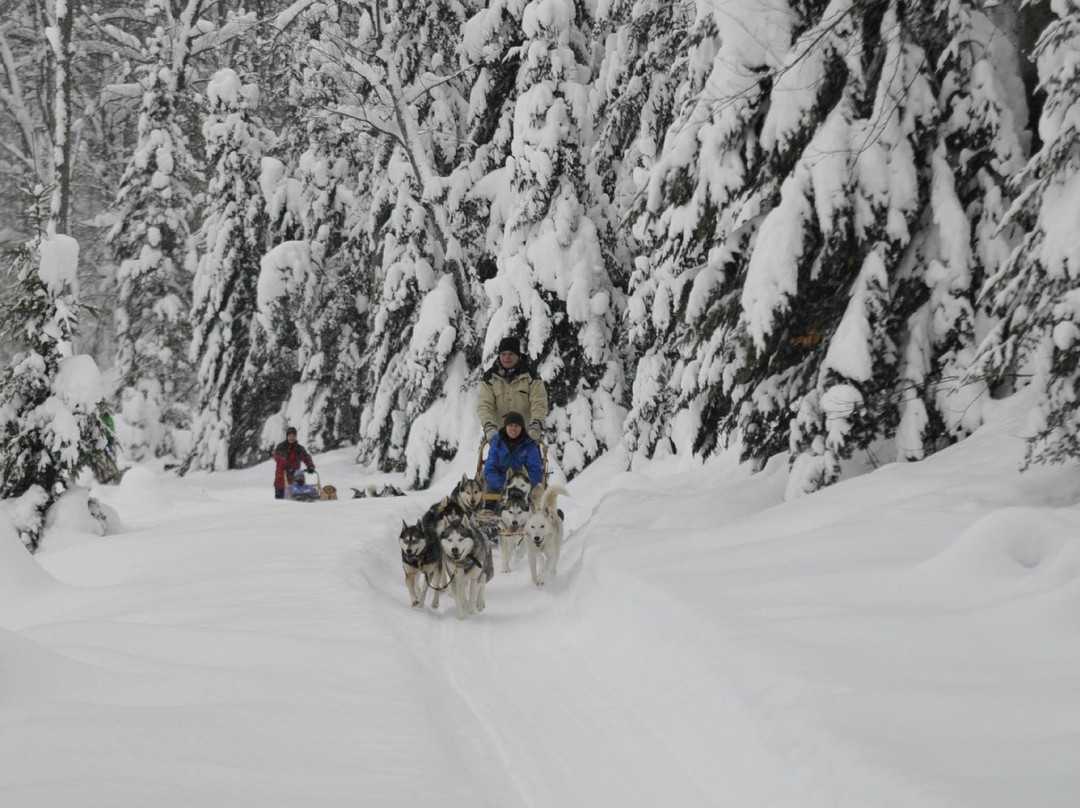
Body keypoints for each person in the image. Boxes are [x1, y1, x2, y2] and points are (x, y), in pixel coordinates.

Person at [478, 336, 548, 444]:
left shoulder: (531, 376)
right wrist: (489, 426)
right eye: (503, 354)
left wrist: (536, 424)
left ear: (518, 355)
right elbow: (485, 404)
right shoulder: (490, 377)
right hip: (500, 439)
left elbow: (539, 402)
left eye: (511, 354)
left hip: (527, 438)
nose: (506, 357)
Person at [484, 411, 544, 492]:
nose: (513, 429)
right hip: (500, 487)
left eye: (517, 426)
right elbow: (489, 471)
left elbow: (535, 470)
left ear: (521, 428)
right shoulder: (497, 444)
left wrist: (524, 486)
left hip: (524, 488)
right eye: (510, 425)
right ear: (505, 427)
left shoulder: (529, 445)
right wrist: (503, 485)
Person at [274, 427, 315, 500]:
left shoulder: (299, 448)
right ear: (287, 437)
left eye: (293, 436)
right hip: (281, 479)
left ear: (296, 437)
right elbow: (279, 458)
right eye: (290, 436)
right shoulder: (281, 447)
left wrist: (310, 466)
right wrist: (286, 467)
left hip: (295, 478)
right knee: (280, 503)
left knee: (296, 501)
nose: (291, 438)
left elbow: (306, 457)